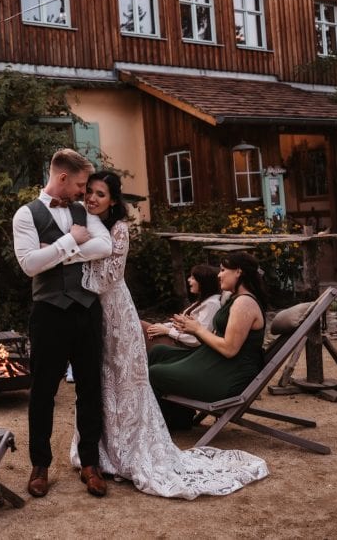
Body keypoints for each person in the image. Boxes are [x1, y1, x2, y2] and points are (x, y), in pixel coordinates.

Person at [68, 172, 267, 498]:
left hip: (115, 313)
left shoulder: (119, 229)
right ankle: (97, 451)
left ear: (113, 200)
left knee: (124, 381)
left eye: (100, 194)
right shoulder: (85, 223)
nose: (91, 198)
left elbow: (106, 279)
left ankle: (127, 453)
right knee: (98, 381)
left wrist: (69, 257)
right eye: (89, 191)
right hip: (92, 314)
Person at [12, 148, 113, 498]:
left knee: (90, 388)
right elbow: (29, 265)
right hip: (49, 314)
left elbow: (105, 246)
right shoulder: (25, 215)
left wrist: (55, 252)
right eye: (81, 185)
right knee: (43, 391)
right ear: (63, 178)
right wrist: (71, 240)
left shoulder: (83, 211)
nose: (85, 192)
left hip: (87, 310)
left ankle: (90, 463)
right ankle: (40, 465)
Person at [148, 251, 269, 431]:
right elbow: (218, 338)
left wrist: (198, 329)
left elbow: (230, 349)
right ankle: (179, 418)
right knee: (159, 352)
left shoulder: (244, 303)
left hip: (229, 375)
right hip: (218, 363)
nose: (219, 275)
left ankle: (166, 424)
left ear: (238, 272)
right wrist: (192, 328)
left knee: (155, 373)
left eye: (223, 270)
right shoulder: (236, 299)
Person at [141, 263, 225, 350]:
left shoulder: (211, 304)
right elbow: (181, 324)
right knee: (143, 328)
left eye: (193, 278)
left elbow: (197, 339)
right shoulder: (203, 301)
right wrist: (161, 326)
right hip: (177, 339)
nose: (188, 280)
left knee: (139, 326)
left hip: (183, 347)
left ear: (203, 282)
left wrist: (167, 331)